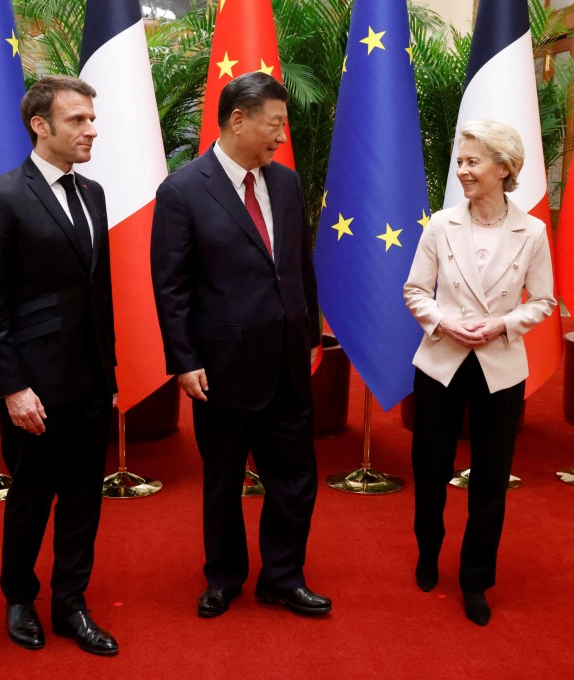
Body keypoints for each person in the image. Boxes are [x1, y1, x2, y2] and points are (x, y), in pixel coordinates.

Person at [150, 71, 330, 619]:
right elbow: (171, 285)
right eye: (274, 123)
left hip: (287, 361)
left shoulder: (286, 182)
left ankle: (283, 576)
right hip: (221, 367)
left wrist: (310, 330)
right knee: (223, 481)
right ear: (238, 119)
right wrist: (183, 360)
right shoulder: (182, 190)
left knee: (295, 479)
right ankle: (224, 577)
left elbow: (299, 264)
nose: (281, 136)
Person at [0, 75, 119, 655]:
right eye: (77, 120)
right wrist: (13, 388)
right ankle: (19, 598)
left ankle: (71, 604)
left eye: (90, 119)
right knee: (32, 498)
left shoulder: (95, 194)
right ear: (41, 125)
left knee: (84, 499)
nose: (91, 130)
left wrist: (108, 376)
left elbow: (98, 293)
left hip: (88, 382)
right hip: (33, 387)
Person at [403, 120, 556, 626]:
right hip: (441, 364)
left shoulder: (532, 231)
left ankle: (475, 579)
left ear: (504, 168)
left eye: (472, 161)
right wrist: (445, 322)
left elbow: (546, 301)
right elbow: (415, 292)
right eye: (461, 161)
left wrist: (504, 324)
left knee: (490, 480)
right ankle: (428, 552)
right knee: (430, 469)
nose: (463, 170)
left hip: (500, 370)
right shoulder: (440, 225)